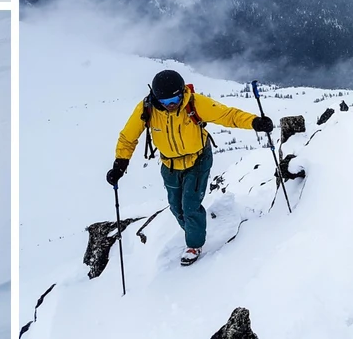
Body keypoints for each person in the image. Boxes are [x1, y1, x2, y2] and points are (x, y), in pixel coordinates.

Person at [105, 70, 273, 266]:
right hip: (169, 165)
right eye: (165, 101)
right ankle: (194, 228)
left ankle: (194, 244)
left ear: (182, 92)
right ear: (156, 97)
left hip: (198, 160)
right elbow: (128, 137)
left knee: (190, 206)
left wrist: (254, 122)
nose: (171, 105)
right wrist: (120, 164)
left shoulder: (194, 103)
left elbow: (227, 115)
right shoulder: (147, 109)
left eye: (175, 99)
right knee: (176, 207)